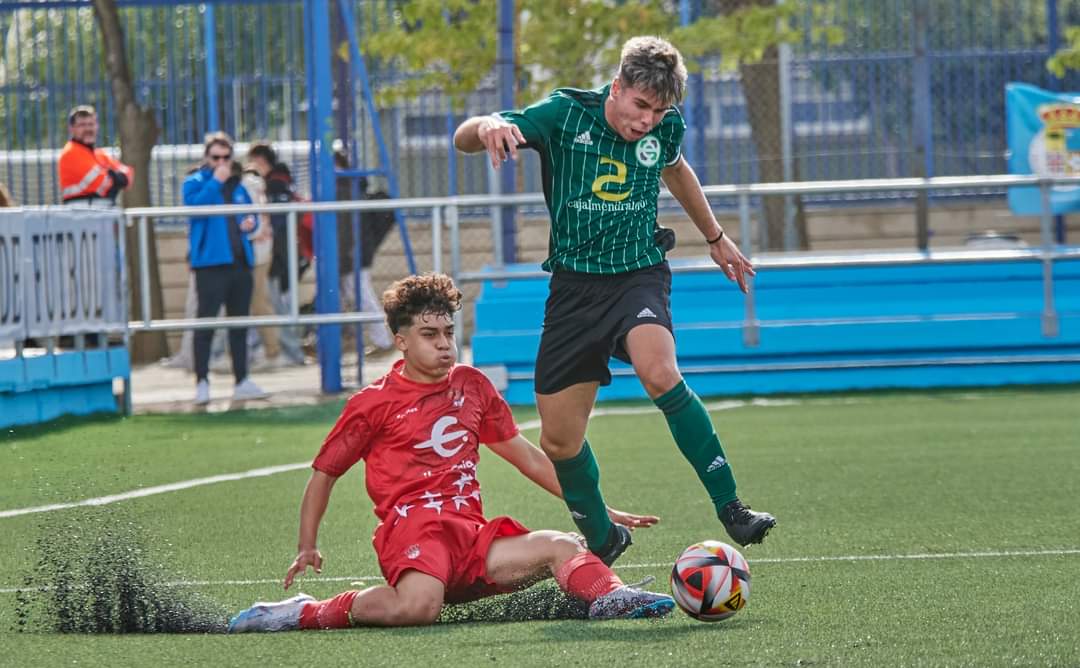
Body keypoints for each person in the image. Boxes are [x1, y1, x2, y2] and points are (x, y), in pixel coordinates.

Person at [452, 36, 775, 562]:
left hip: (637, 275)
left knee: (659, 372)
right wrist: (487, 122)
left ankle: (731, 506)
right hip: (574, 290)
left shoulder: (665, 128)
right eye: (640, 106)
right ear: (617, 87)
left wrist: (716, 238)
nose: (647, 120)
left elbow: (675, 168)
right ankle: (604, 538)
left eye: (659, 110)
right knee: (558, 441)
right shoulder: (564, 114)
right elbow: (462, 139)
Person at [227, 273, 674, 633]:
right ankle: (305, 612)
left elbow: (527, 456)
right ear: (401, 341)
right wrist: (308, 545)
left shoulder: (472, 385)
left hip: (470, 535)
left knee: (562, 545)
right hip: (414, 534)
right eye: (429, 334)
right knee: (420, 609)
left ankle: (613, 597)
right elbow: (323, 475)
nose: (444, 344)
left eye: (448, 332)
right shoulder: (372, 403)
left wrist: (597, 507)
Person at [182, 132, 269, 405]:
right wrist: (216, 182)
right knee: (206, 323)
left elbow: (252, 216)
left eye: (225, 157)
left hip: (240, 263)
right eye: (215, 157)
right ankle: (202, 381)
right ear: (207, 157)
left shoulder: (238, 185)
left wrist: (250, 225)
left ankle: (242, 379)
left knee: (239, 324)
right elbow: (196, 208)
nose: (221, 162)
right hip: (210, 265)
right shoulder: (195, 183)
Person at [247, 141, 306, 366]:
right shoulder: (281, 183)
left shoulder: (275, 186)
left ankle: (291, 353)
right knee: (277, 305)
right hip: (283, 254)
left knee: (277, 306)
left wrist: (276, 257)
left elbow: (279, 227)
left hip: (278, 256)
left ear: (261, 161)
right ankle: (285, 351)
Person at [334, 149, 394, 353]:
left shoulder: (344, 190)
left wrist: (345, 255)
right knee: (348, 296)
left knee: (362, 296)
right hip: (352, 252)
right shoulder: (348, 189)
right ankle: (348, 339)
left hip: (353, 254)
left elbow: (346, 230)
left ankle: (383, 341)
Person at [58, 105, 133, 207]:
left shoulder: (98, 154)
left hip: (101, 212)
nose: (88, 129)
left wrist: (112, 177)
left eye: (91, 124)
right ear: (71, 129)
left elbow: (129, 174)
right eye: (82, 125)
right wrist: (114, 176)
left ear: (97, 126)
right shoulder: (70, 152)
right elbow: (102, 185)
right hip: (79, 214)